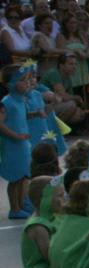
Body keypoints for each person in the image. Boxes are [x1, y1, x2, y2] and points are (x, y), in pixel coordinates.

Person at [1, 64, 34, 218]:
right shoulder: (7, 102)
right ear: (10, 84)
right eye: (22, 80)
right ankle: (14, 208)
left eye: (28, 79)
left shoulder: (22, 100)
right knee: (15, 178)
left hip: (22, 144)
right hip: (12, 145)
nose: (27, 83)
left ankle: (21, 205)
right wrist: (15, 136)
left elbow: (24, 118)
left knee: (23, 177)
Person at [21, 175, 63, 268]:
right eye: (60, 196)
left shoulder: (52, 217)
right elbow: (49, 257)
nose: (64, 199)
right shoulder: (38, 226)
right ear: (45, 199)